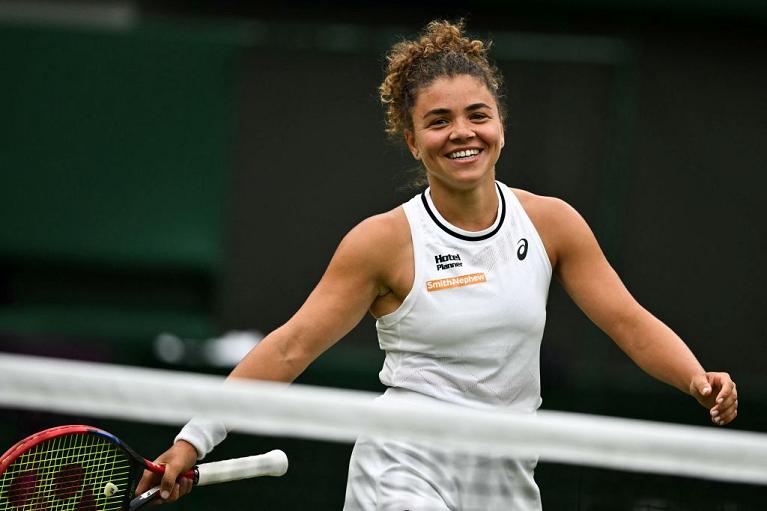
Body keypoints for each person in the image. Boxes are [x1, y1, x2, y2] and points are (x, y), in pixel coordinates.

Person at [136, 19, 738, 510]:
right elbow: (289, 347)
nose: (462, 133)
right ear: (412, 137)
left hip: (505, 475)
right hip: (405, 465)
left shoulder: (552, 223)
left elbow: (628, 321)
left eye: (477, 114)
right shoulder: (383, 242)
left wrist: (694, 378)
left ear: (500, 122)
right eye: (439, 120)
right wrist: (194, 438)